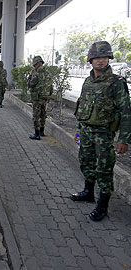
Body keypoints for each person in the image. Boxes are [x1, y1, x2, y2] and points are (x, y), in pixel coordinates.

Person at [70, 41, 131, 221]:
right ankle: (88, 192)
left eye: (104, 57)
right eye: (97, 57)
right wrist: (78, 130)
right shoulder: (88, 81)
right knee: (85, 162)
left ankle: (102, 205)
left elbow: (126, 112)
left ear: (109, 59)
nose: (100, 61)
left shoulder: (117, 82)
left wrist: (124, 139)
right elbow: (82, 107)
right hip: (86, 131)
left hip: (104, 134)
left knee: (104, 169)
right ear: (91, 60)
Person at [27, 56, 53, 140]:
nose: (34, 67)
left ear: (37, 64)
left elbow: (30, 85)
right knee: (43, 115)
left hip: (37, 99)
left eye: (34, 65)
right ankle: (42, 131)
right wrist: (49, 96)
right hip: (45, 98)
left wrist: (30, 76)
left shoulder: (36, 75)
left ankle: (37, 134)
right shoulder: (48, 74)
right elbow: (51, 87)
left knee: (36, 116)